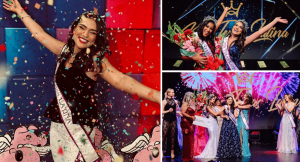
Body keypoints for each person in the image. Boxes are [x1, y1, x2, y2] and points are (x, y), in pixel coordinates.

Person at [3, 0, 160, 161]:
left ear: (96, 37)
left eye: (92, 32)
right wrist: (19, 10)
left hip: (80, 129)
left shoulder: (95, 61)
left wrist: (157, 96)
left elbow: (121, 80)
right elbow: (40, 35)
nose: (84, 35)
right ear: (74, 28)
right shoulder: (64, 51)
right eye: (82, 28)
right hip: (58, 126)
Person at [219, 18, 288, 70]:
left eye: (240, 27)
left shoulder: (242, 42)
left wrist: (275, 21)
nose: (237, 27)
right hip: (223, 72)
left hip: (235, 71)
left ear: (242, 32)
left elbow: (259, 32)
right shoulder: (223, 40)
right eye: (236, 25)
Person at [195, 95, 224, 159]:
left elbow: (219, 114)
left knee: (216, 137)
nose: (214, 100)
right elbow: (215, 114)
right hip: (210, 123)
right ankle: (210, 153)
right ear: (210, 100)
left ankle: (215, 152)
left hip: (215, 122)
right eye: (213, 99)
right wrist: (222, 109)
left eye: (214, 99)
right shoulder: (208, 107)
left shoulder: (214, 107)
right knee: (212, 137)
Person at [162, 89, 181, 158]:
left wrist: (179, 112)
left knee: (173, 136)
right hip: (166, 119)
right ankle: (161, 151)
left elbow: (176, 111)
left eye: (173, 92)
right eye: (172, 92)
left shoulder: (175, 101)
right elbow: (162, 111)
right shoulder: (164, 101)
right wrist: (168, 110)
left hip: (173, 120)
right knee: (164, 135)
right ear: (168, 93)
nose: (173, 93)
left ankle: (172, 152)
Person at [180, 92, 196, 161]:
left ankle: (191, 155)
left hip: (191, 121)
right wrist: (190, 116)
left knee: (191, 138)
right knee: (187, 139)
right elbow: (183, 113)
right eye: (192, 96)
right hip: (186, 122)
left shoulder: (192, 104)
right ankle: (187, 156)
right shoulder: (185, 103)